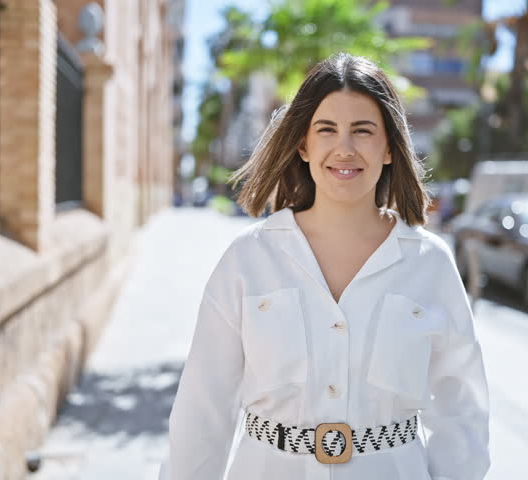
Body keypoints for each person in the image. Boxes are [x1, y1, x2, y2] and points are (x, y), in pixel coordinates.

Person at [162, 53, 490, 480]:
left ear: (389, 147)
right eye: (327, 129)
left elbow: (462, 410)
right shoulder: (248, 259)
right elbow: (202, 410)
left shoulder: (430, 264)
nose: (345, 148)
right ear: (304, 144)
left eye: (363, 131)